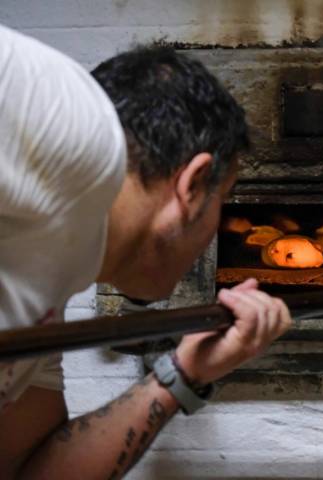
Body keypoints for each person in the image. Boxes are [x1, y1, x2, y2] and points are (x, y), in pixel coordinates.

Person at [0, 25, 292, 479]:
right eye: (226, 197)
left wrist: (183, 373)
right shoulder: (57, 111)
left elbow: (27, 472)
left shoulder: (46, 301)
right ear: (193, 185)